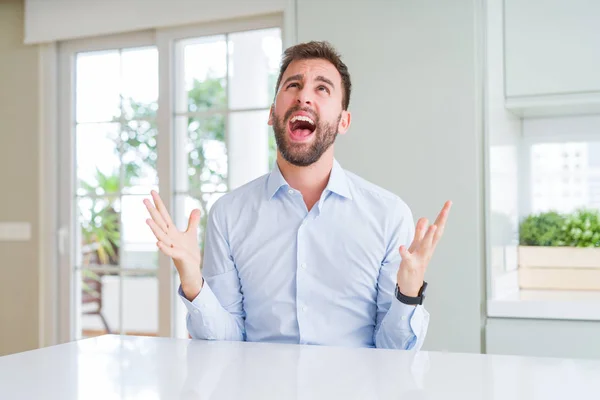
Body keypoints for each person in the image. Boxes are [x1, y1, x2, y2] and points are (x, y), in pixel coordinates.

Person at [144, 41, 452, 350]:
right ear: (272, 113)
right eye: (293, 85)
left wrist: (409, 292)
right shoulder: (228, 215)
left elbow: (394, 351)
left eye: (322, 89)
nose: (304, 95)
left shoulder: (388, 215)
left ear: (343, 121)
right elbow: (227, 345)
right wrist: (191, 279)